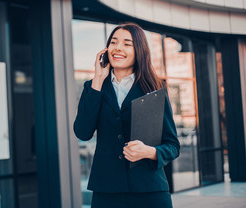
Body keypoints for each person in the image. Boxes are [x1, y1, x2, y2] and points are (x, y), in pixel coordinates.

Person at [73, 23, 180, 208]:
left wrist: (150, 151)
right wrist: (98, 80)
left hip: (150, 191)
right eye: (114, 42)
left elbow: (172, 145)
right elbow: (83, 132)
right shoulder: (94, 86)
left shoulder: (154, 88)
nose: (118, 48)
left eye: (127, 43)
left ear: (139, 50)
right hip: (107, 192)